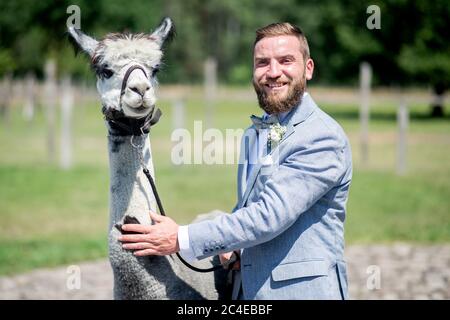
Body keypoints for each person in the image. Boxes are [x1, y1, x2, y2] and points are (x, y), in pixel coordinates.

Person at [118, 22, 352, 300]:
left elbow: (268, 216)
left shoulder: (321, 137)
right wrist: (236, 246)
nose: (273, 72)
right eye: (262, 62)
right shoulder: (256, 133)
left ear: (308, 68)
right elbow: (249, 207)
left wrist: (180, 238)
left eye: (286, 61)